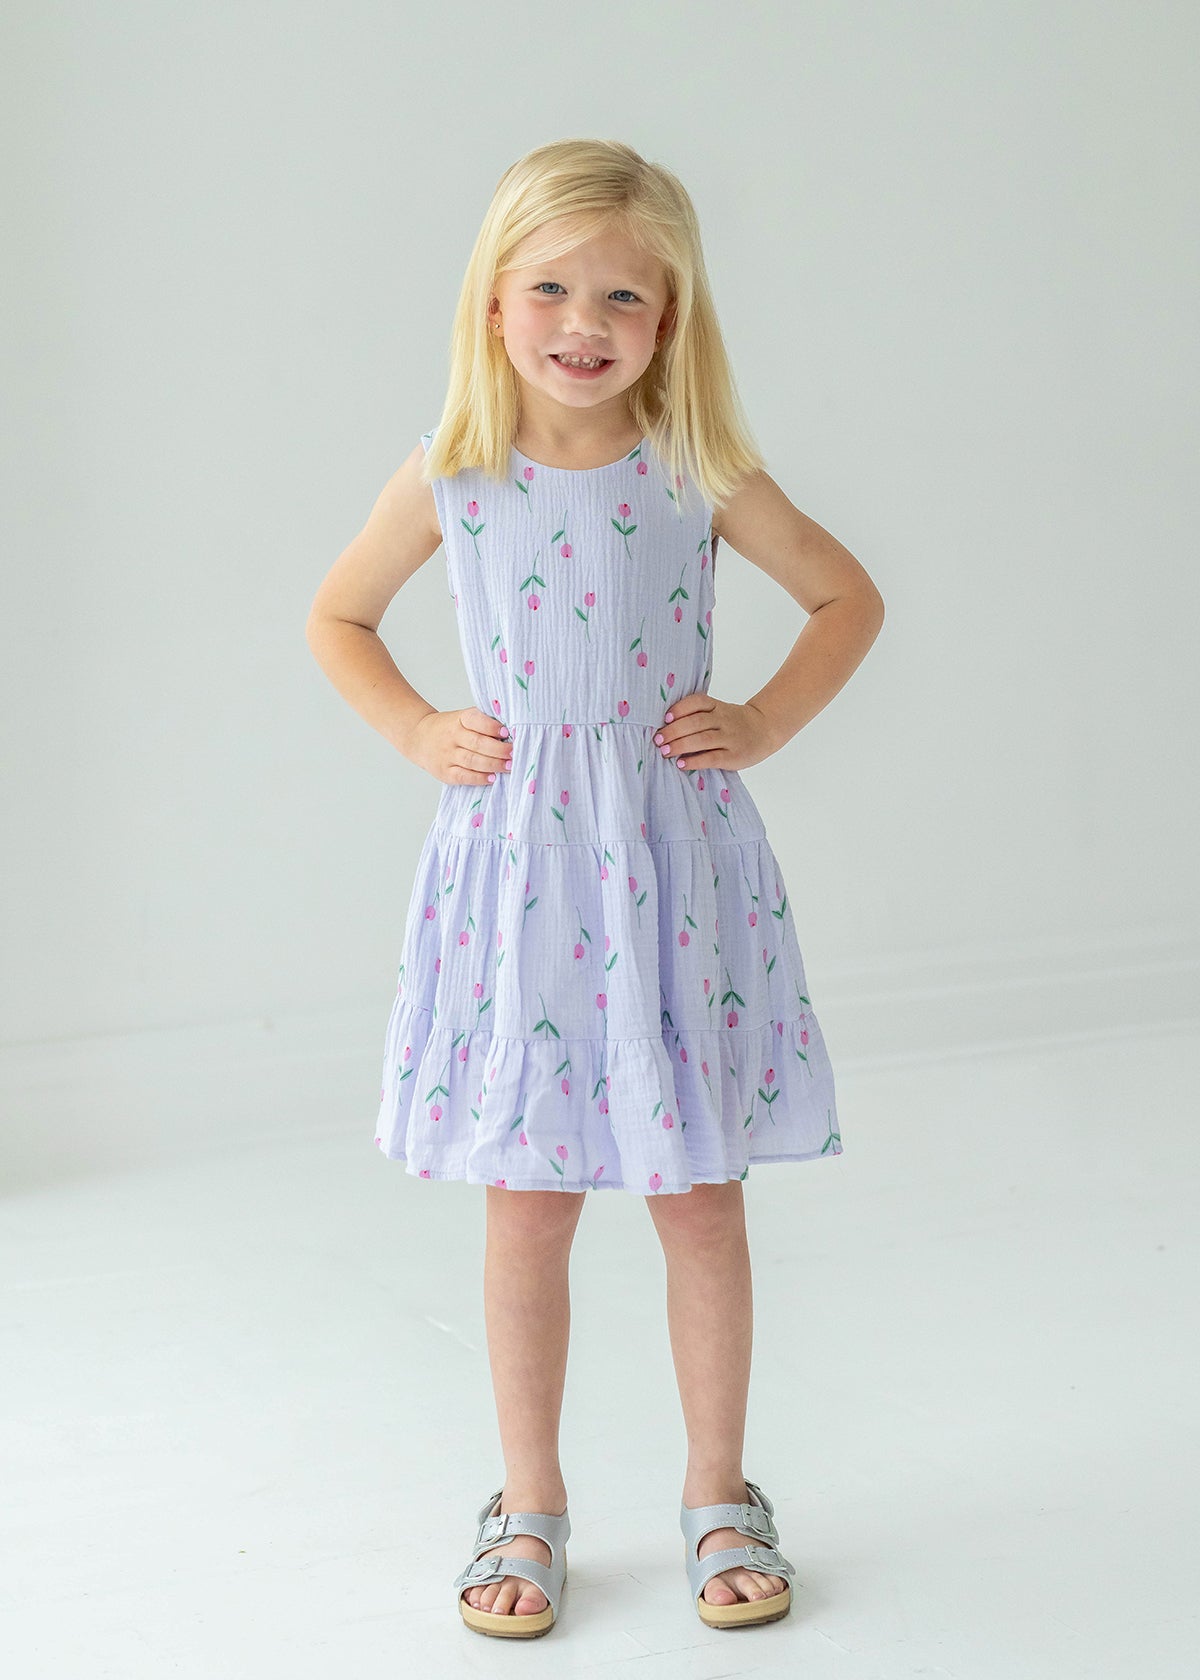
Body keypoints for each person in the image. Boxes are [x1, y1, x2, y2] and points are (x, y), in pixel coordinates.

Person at [305, 137, 884, 1639]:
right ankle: (531, 1502)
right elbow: (340, 615)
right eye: (553, 286)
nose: (585, 319)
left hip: (669, 873)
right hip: (522, 879)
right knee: (528, 1205)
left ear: (670, 319)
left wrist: (759, 717)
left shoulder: (694, 468)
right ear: (494, 305)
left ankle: (716, 1489)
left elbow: (844, 594)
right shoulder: (456, 470)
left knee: (697, 1202)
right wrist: (417, 726)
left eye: (624, 294)